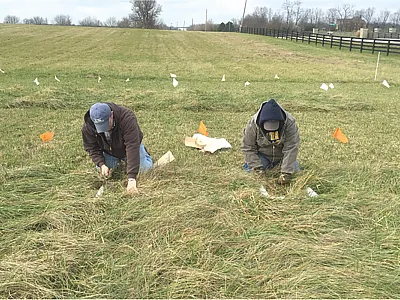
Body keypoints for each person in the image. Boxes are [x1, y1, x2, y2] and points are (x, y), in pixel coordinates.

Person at [82, 102, 153, 193]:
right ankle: (114, 161)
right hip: (109, 151)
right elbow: (91, 147)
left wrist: (131, 179)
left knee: (144, 170)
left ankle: (144, 155)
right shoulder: (89, 126)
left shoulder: (127, 118)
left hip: (129, 148)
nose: (104, 129)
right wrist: (101, 164)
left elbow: (132, 146)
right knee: (103, 171)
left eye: (106, 124)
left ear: (111, 115)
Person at [241, 99, 300, 184]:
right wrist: (257, 169)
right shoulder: (252, 125)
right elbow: (248, 147)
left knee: (295, 172)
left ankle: (283, 169)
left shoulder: (289, 123)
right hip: (262, 156)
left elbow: (291, 147)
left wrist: (286, 173)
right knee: (251, 175)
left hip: (281, 157)